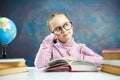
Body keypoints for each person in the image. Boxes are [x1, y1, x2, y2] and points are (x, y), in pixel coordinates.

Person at [34, 12, 103, 69]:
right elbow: (39, 65)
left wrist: (76, 58)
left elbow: (102, 61)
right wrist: (47, 41)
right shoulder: (51, 49)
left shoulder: (81, 48)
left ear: (71, 26)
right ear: (53, 34)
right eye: (58, 29)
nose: (64, 30)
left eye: (66, 25)